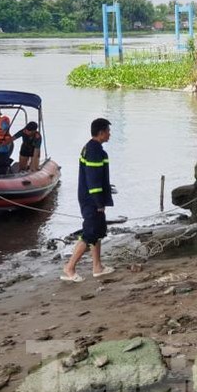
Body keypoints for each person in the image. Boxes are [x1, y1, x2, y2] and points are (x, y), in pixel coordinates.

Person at [61, 118, 116, 282]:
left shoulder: (93, 148)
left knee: (98, 231)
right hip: (90, 199)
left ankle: (97, 267)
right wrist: (99, 203)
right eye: (108, 131)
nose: (109, 134)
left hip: (93, 197)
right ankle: (69, 267)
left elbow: (97, 176)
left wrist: (106, 191)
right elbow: (92, 180)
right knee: (90, 232)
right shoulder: (93, 150)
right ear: (101, 133)